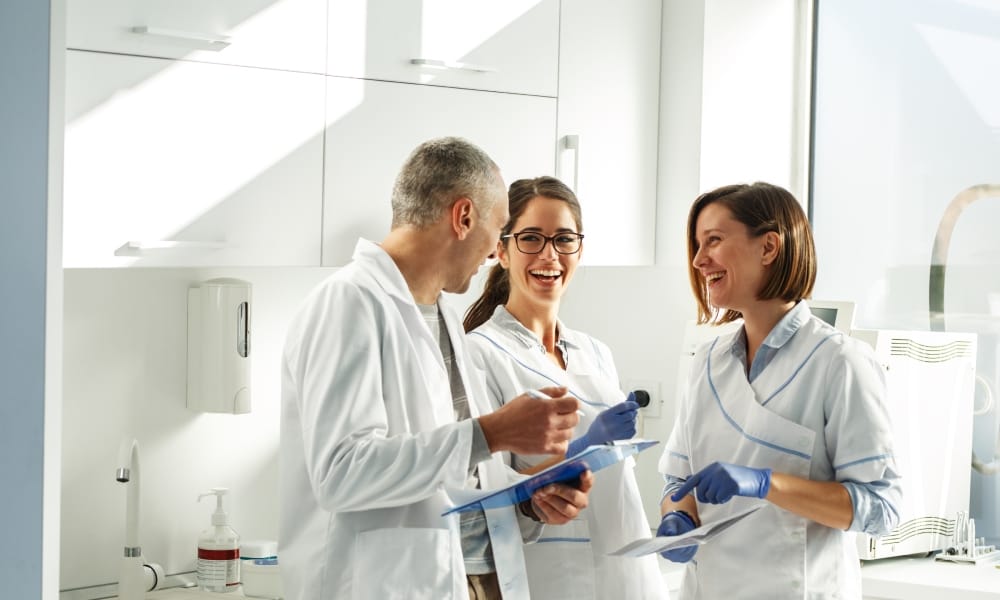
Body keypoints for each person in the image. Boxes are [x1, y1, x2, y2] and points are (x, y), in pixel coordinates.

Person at [279, 138, 595, 600]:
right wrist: (492, 433)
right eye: (499, 226)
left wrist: (530, 497)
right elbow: (341, 473)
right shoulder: (349, 302)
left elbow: (451, 473)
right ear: (464, 216)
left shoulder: (444, 313)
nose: (495, 250)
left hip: (464, 580)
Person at [656, 182, 902, 598]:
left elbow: (881, 509)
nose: (699, 260)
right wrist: (678, 518)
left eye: (713, 240)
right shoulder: (707, 362)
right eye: (697, 245)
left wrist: (765, 483)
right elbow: (677, 480)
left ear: (768, 247)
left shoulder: (839, 363)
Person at [464, 176, 667, 599]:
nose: (549, 255)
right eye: (532, 239)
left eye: (563, 239)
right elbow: (482, 496)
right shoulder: (480, 354)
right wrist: (583, 449)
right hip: (547, 578)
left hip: (625, 571)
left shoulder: (595, 353)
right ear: (501, 250)